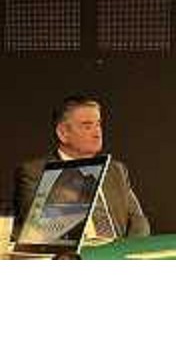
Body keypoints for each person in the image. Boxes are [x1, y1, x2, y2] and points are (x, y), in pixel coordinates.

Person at [13, 95, 150, 238]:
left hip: (117, 248)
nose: (97, 133)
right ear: (63, 133)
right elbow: (39, 230)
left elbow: (138, 220)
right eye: (87, 126)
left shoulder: (115, 169)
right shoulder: (34, 173)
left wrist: (129, 247)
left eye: (98, 125)